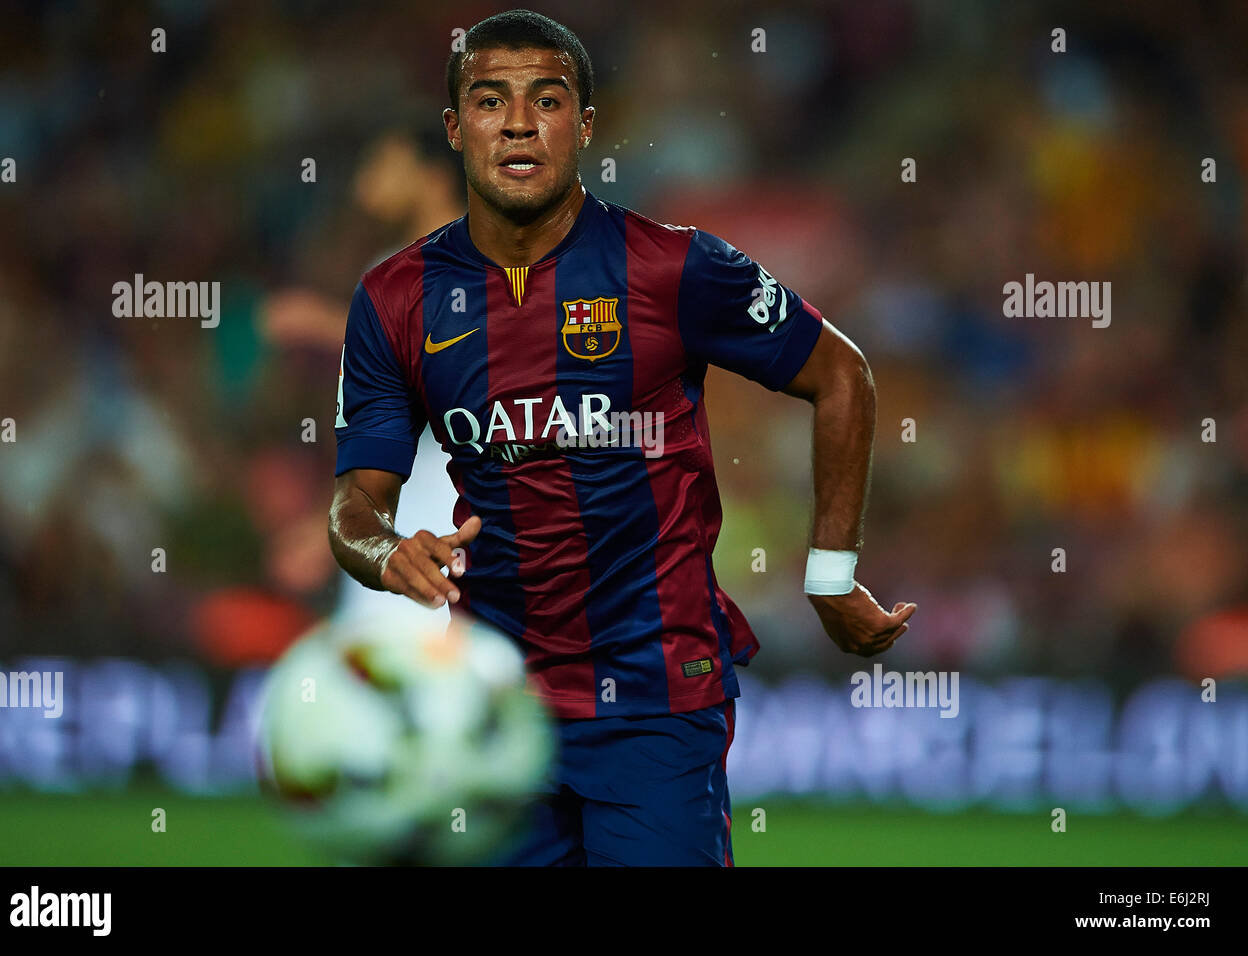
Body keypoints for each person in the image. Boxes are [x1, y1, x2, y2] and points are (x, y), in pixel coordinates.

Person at [327, 9, 916, 866]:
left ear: (586, 125)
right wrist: (385, 554)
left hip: (658, 699)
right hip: (494, 709)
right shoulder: (393, 300)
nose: (520, 122)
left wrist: (830, 575)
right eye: (491, 101)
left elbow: (841, 374)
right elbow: (354, 505)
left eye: (548, 99)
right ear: (456, 130)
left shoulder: (674, 268)